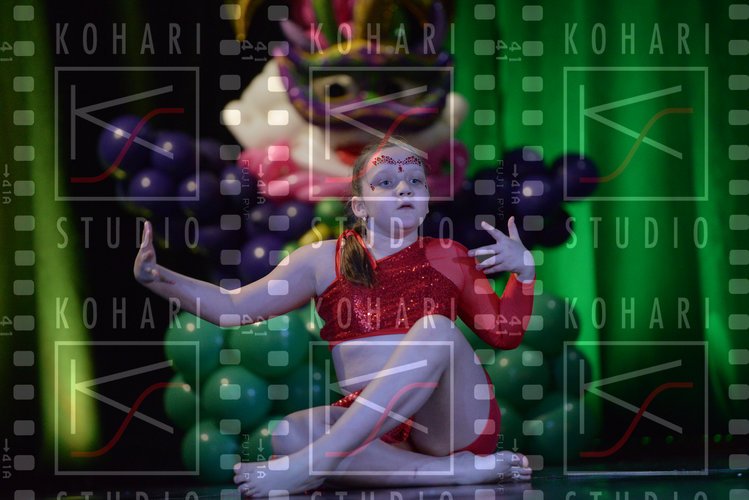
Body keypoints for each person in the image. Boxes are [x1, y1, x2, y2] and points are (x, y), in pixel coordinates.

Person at [134, 137, 536, 497]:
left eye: (415, 181)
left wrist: (524, 273)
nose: (403, 188)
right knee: (289, 433)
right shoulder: (321, 260)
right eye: (386, 182)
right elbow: (233, 308)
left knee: (436, 329)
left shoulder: (451, 255)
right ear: (359, 205)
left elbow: (505, 334)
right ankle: (453, 473)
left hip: (452, 422)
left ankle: (312, 466)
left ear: (427, 199)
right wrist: (159, 278)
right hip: (374, 430)